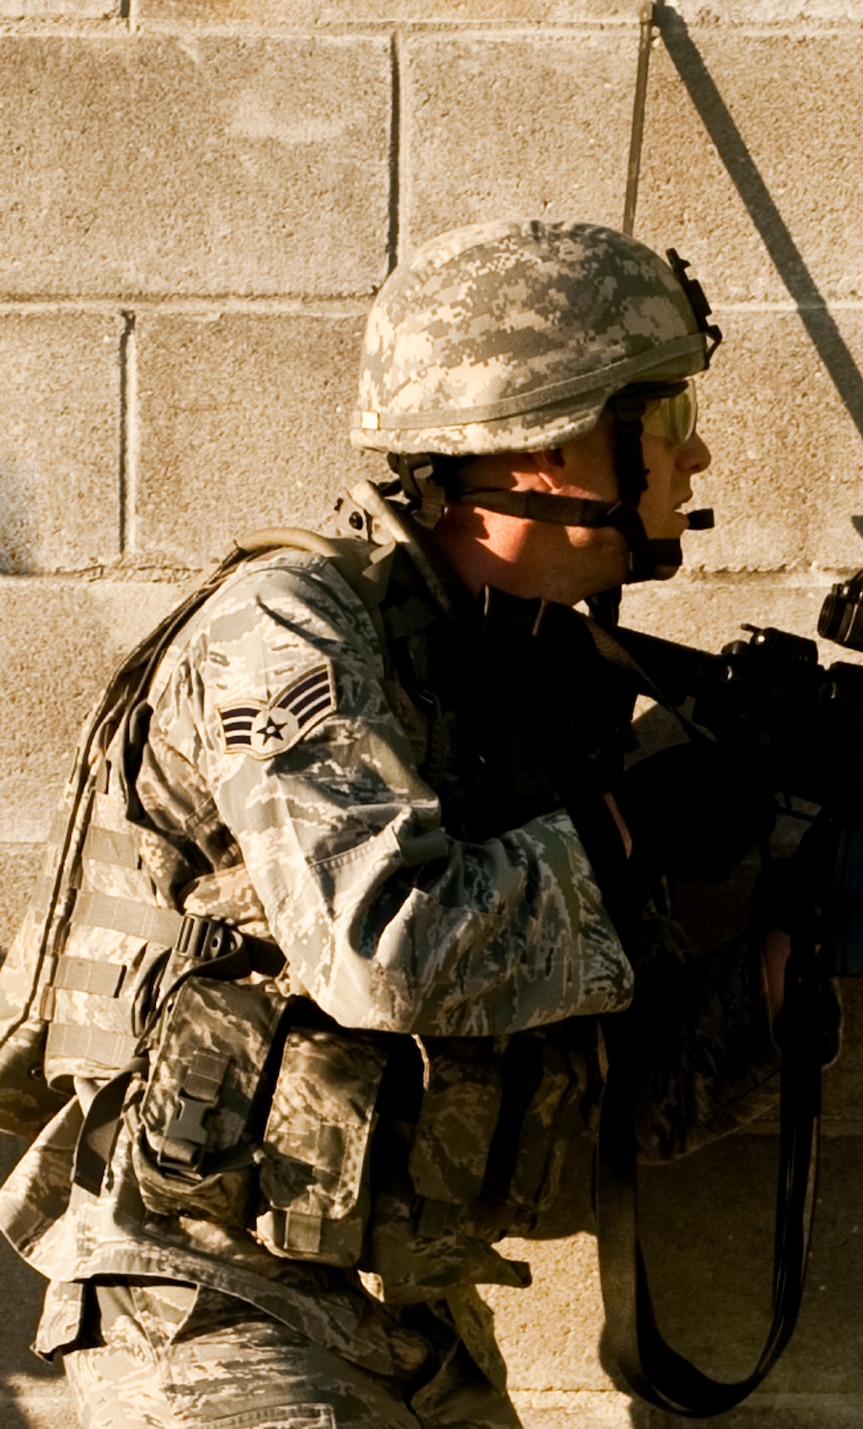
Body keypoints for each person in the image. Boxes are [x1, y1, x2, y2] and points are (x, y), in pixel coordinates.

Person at [0, 219, 815, 1427]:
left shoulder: (526, 679)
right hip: (212, 1307)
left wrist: (795, 945)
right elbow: (387, 949)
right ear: (544, 445)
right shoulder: (287, 628)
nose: (694, 455)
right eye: (665, 414)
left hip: (408, 1320)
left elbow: (628, 1099)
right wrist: (623, 826)